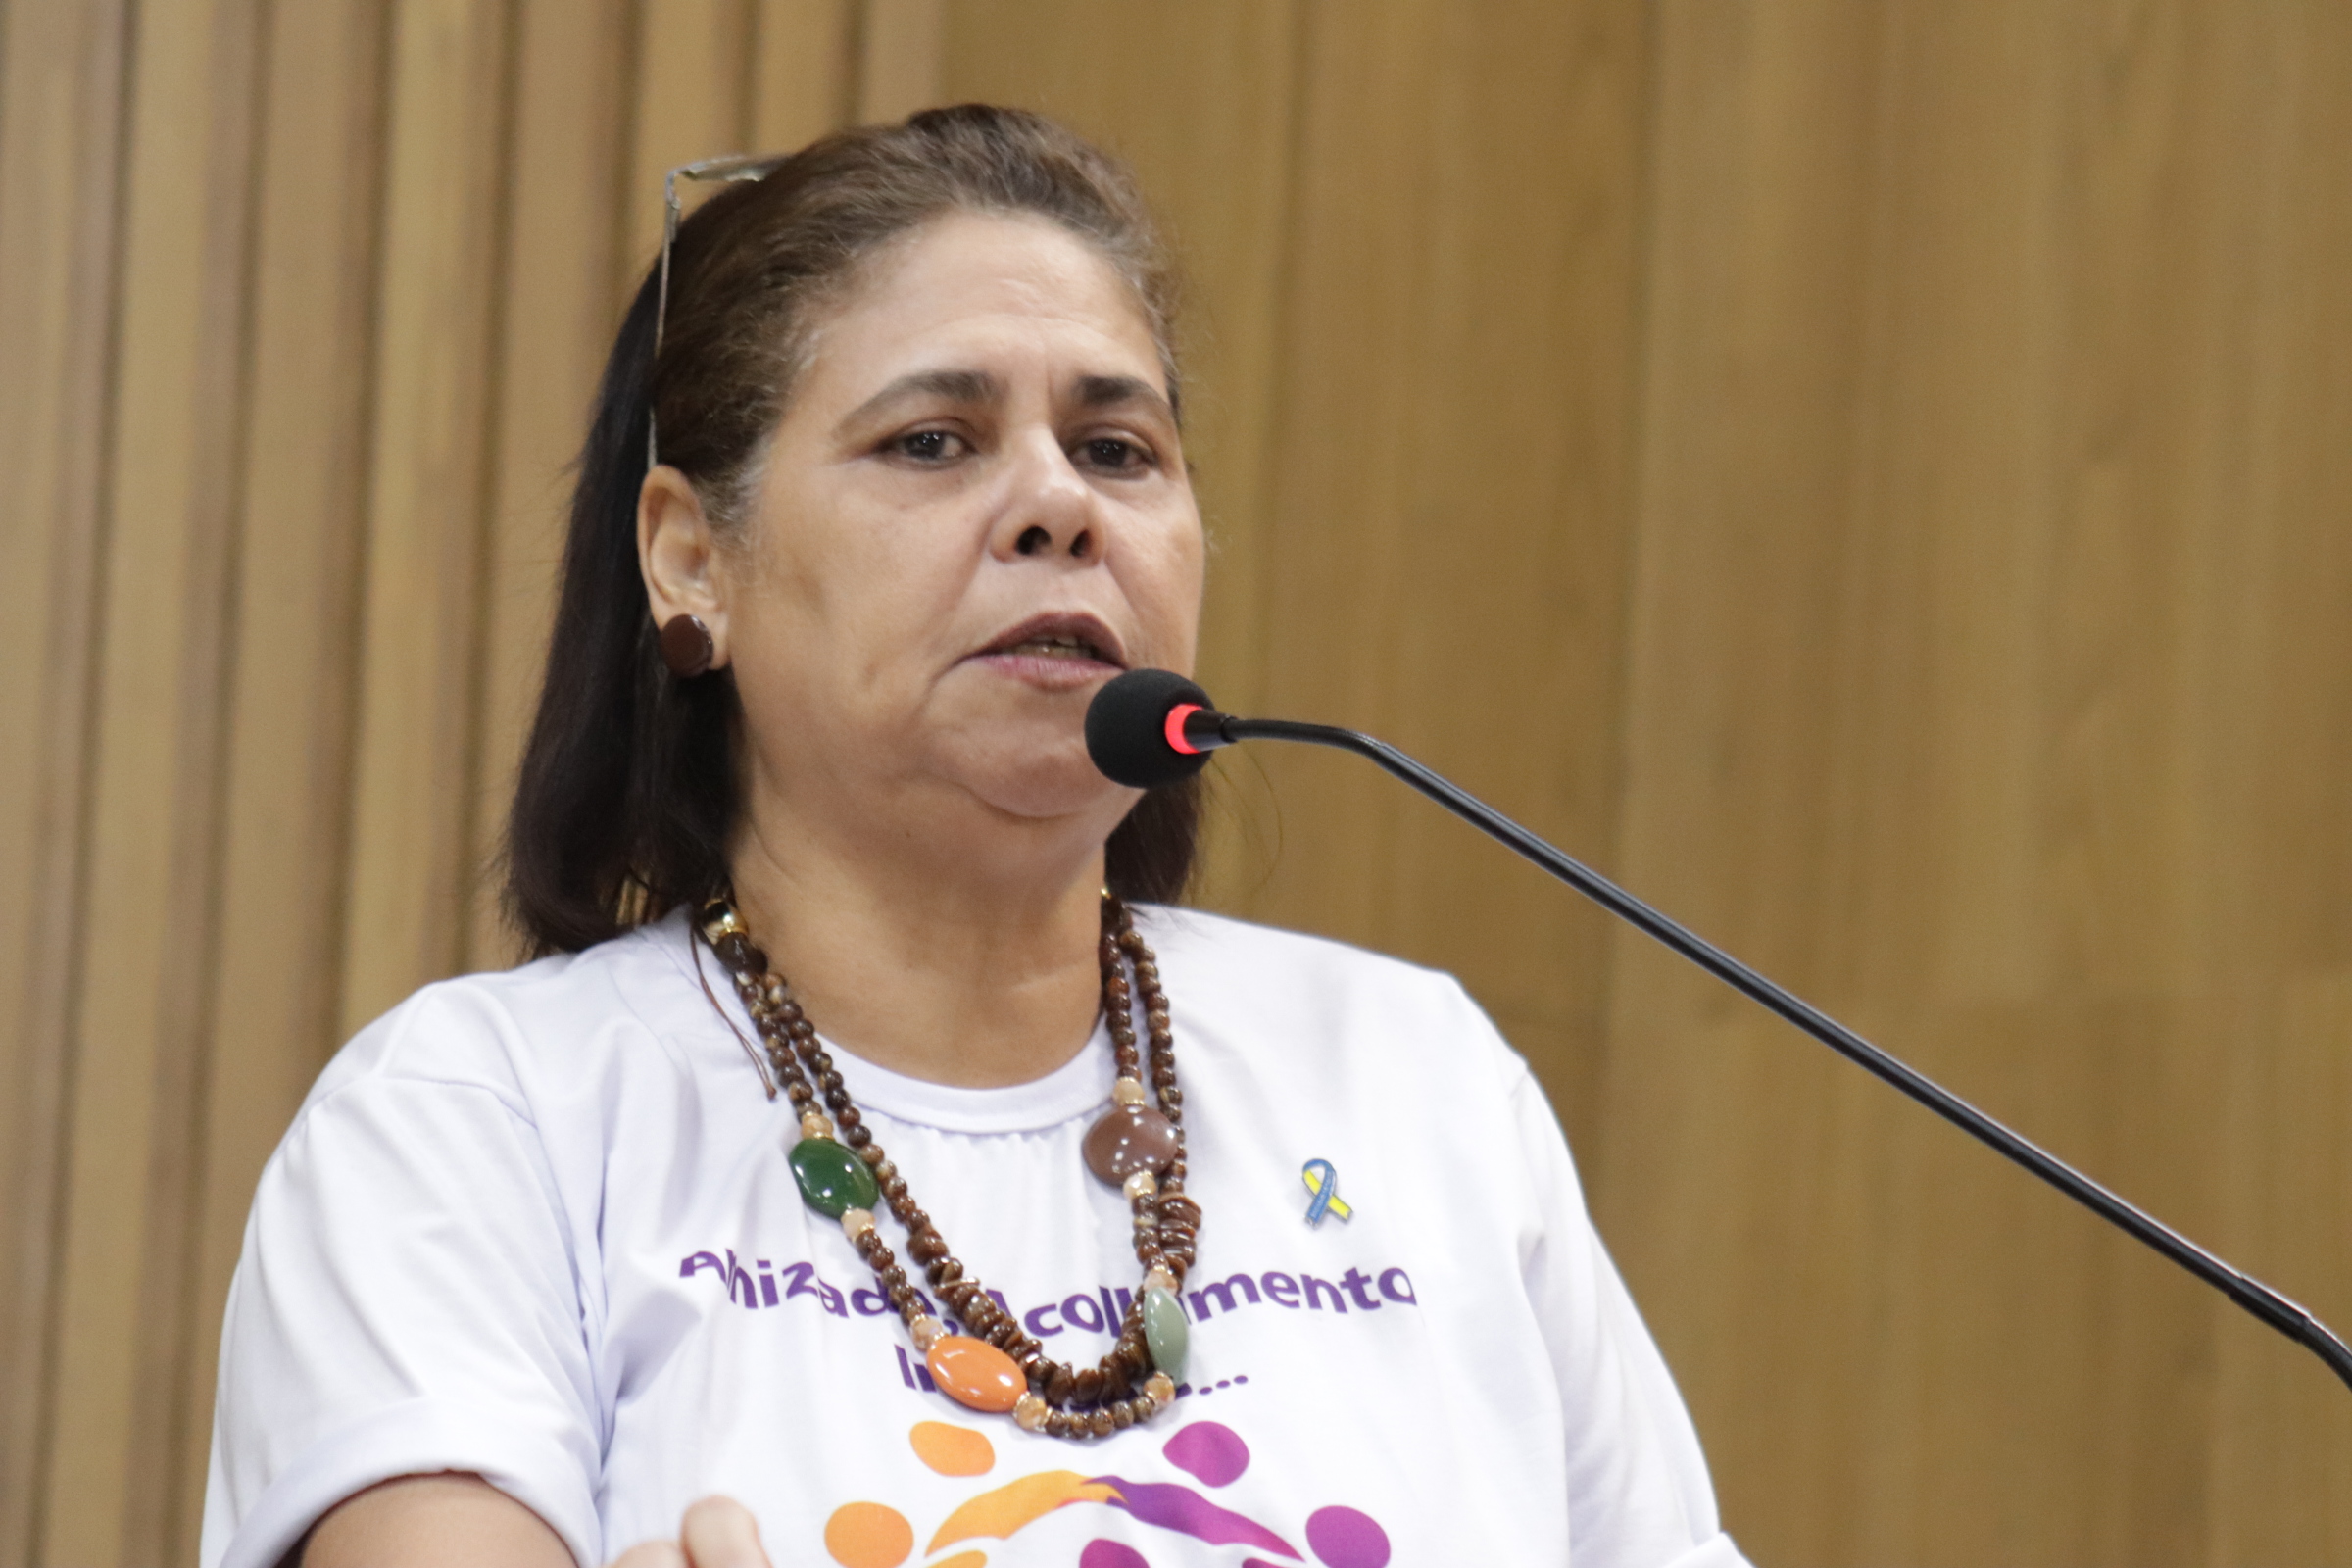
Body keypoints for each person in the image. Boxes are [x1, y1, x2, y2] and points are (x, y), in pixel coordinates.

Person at [201, 106, 1749, 1568]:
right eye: (934, 441)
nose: (1058, 506)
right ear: (690, 560)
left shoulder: (1417, 1084)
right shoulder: (478, 1125)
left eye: (1119, 450)